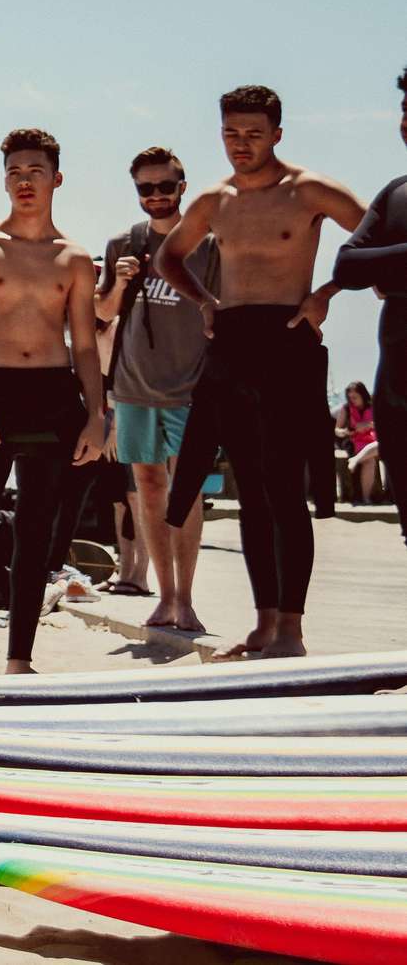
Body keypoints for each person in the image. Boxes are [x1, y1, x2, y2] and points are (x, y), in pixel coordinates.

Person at [156, 86, 368, 659]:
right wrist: (203, 300)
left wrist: (326, 293)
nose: (240, 145)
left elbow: (377, 239)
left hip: (288, 341)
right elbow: (168, 257)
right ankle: (264, 623)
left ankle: (292, 630)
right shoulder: (215, 199)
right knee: (251, 491)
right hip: (232, 342)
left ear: (278, 132)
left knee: (282, 489)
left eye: (253, 134)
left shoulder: (308, 190)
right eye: (231, 134)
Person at [0, 129, 106, 676]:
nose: (24, 181)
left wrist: (98, 416)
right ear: (3, 179)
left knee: (36, 537)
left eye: (34, 171)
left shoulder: (76, 259)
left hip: (54, 395)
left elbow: (84, 344)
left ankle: (19, 662)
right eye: (14, 172)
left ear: (56, 178)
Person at [92, 146, 222, 629]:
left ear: (182, 187)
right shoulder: (123, 243)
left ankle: (185, 599)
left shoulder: (209, 244)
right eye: (146, 188)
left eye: (165, 186)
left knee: (183, 494)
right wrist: (119, 283)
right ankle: (164, 596)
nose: (156, 196)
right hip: (133, 387)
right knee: (148, 489)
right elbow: (102, 314)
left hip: (190, 387)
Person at [330, 65, 407, 546]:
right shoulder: (396, 192)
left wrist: (387, 270)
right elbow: (347, 266)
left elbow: (367, 265)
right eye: (405, 109)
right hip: (397, 389)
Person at [337, 382, 383, 504]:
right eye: (350, 397)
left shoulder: (373, 407)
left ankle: (355, 460)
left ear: (362, 395)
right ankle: (366, 498)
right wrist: (347, 431)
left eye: (355, 397)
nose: (352, 400)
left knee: (379, 446)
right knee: (370, 461)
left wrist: (369, 425)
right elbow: (337, 430)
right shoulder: (346, 408)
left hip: (371, 440)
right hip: (353, 441)